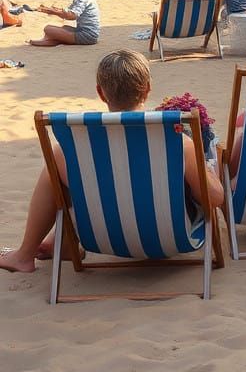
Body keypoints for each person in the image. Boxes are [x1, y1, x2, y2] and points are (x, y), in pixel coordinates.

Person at [0, 50, 224, 275]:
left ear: (100, 92)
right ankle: (58, 243)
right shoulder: (177, 144)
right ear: (147, 88)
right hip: (172, 239)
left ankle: (27, 254)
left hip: (103, 239)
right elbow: (214, 198)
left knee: (56, 177)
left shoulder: (70, 151)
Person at [30, 0, 100, 47]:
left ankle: (50, 41)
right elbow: (70, 11)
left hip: (87, 36)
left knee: (48, 29)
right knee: (64, 28)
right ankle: (50, 40)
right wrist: (55, 10)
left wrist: (54, 12)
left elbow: (72, 16)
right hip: (88, 33)